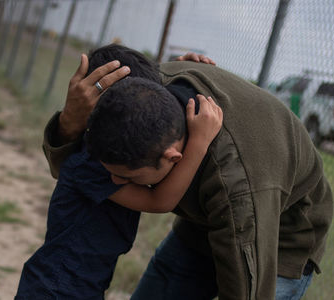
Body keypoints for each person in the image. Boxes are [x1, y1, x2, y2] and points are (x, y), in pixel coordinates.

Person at [43, 44, 333, 300]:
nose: (114, 182)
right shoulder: (136, 99)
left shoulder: (235, 181)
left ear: (173, 157)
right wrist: (71, 119)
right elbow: (71, 169)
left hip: (278, 236)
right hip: (207, 222)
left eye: (130, 179)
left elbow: (249, 287)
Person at [15, 47, 222, 299]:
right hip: (57, 287)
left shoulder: (117, 147)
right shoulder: (94, 163)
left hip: (77, 283)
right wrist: (199, 142)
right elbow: (159, 201)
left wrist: (183, 71)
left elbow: (150, 103)